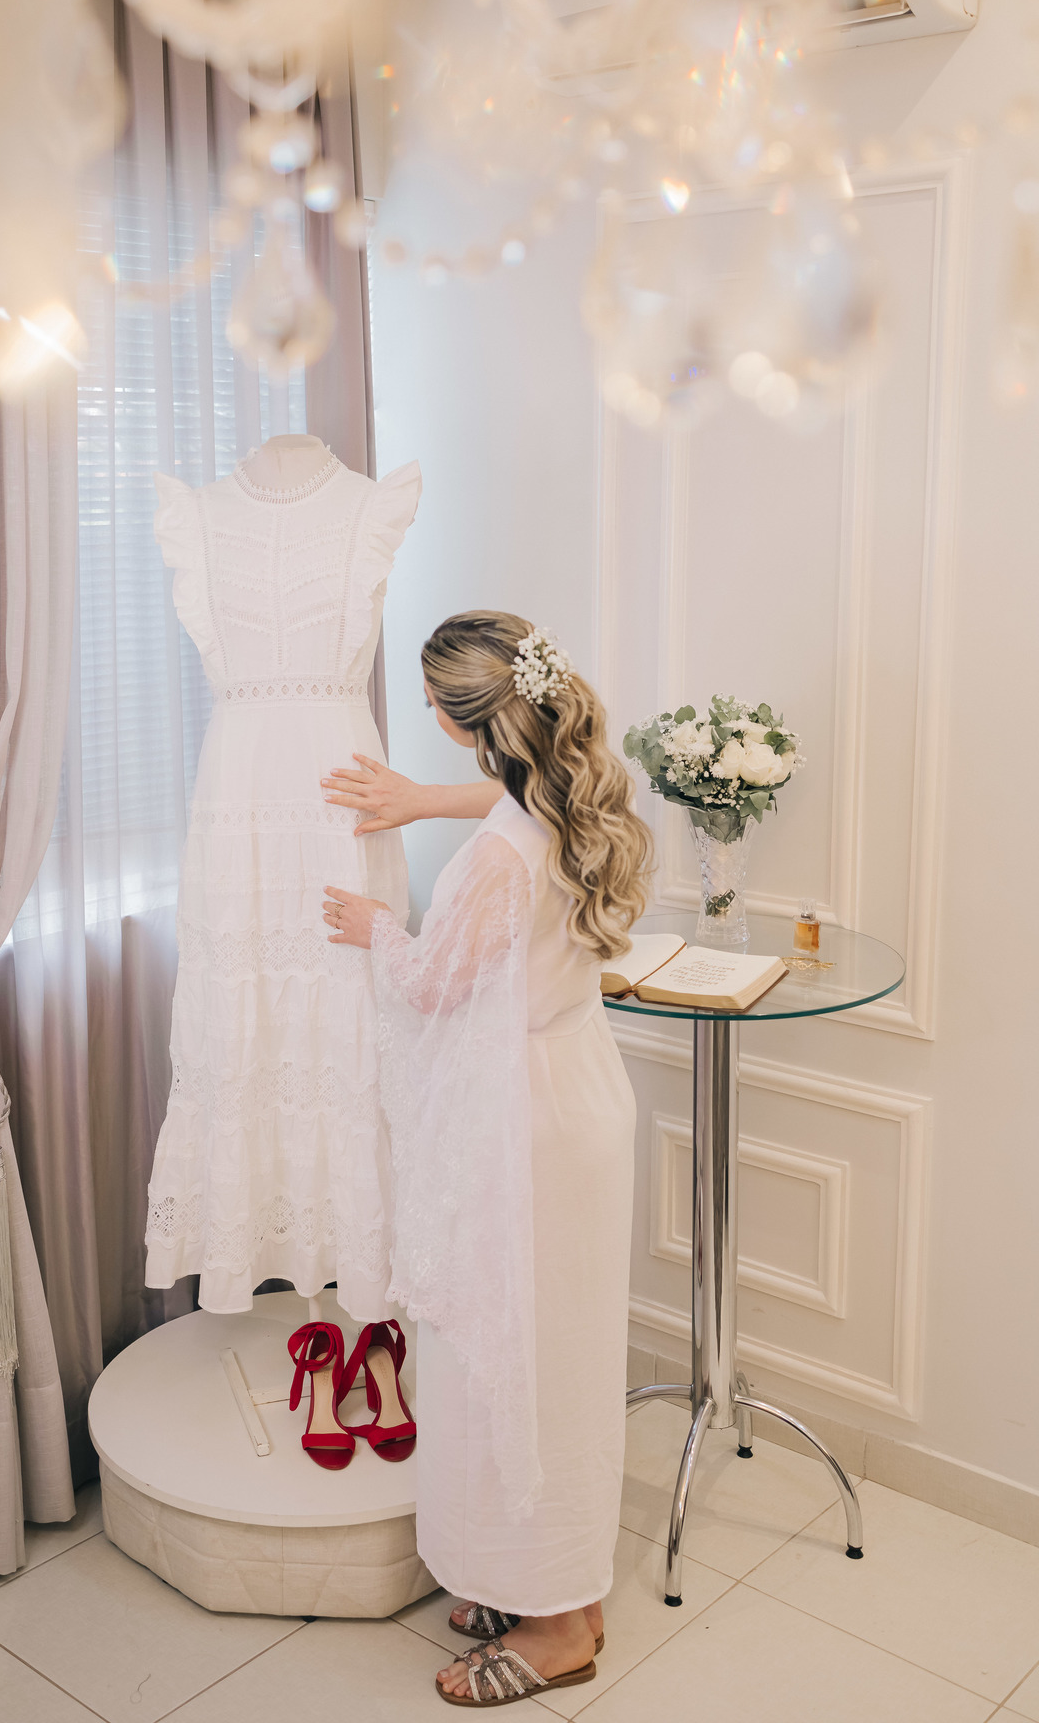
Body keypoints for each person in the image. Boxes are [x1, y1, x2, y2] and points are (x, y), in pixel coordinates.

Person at [320, 611, 652, 1708]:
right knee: (555, 1353)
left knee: (519, 1358)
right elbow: (505, 806)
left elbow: (431, 986)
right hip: (579, 1093)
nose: (421, 713)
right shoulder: (575, 799)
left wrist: (377, 926)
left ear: (472, 720)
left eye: (429, 701)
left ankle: (559, 1630)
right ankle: (556, 1585)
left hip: (526, 1126)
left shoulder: (500, 864)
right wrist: (421, 800)